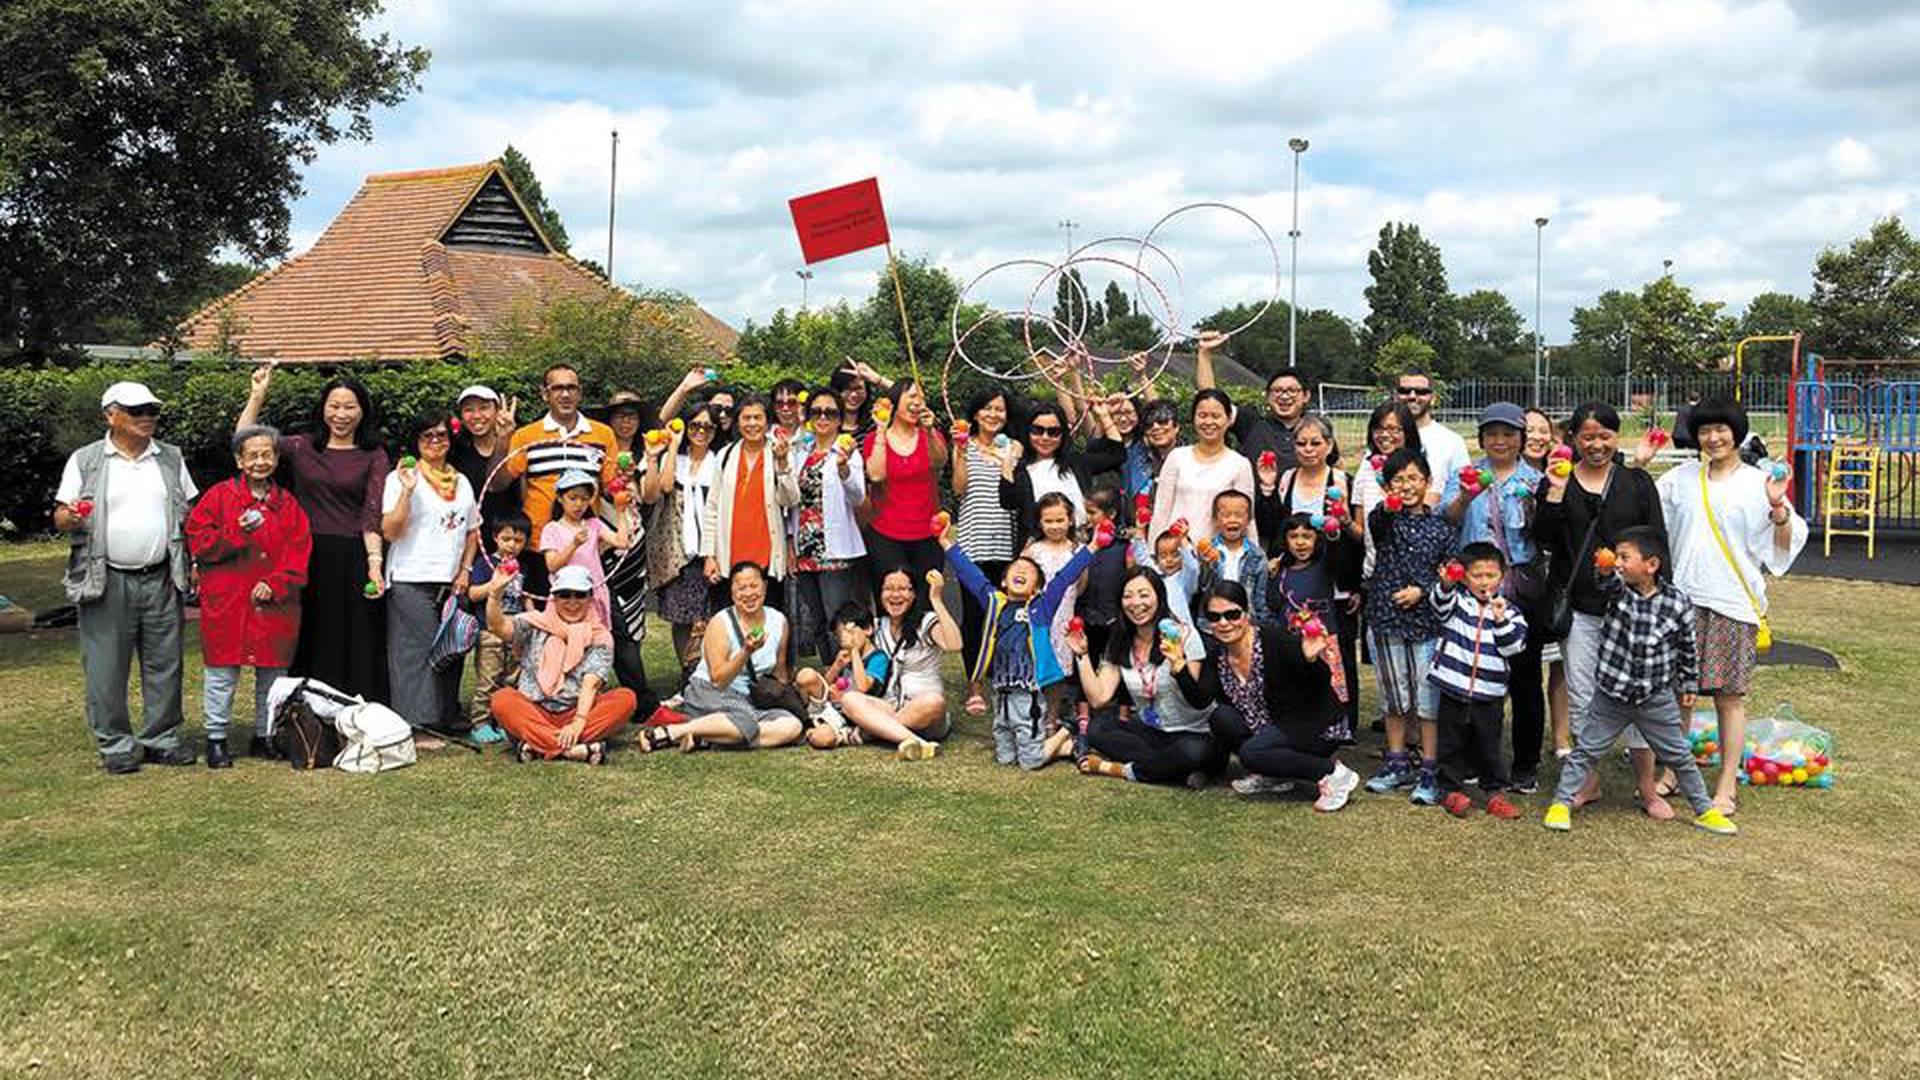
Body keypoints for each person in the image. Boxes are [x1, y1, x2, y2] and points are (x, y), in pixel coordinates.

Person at [1653, 398, 1807, 815]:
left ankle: (1726, 786)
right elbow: (1653, 526)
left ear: (1737, 432)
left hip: (1732, 603)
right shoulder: (1678, 479)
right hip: (1682, 600)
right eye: (1705, 431)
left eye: (1722, 429)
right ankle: (1671, 773)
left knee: (1729, 698)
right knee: (1679, 694)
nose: (1713, 437)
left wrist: (1777, 507)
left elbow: (1785, 542)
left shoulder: (1759, 482)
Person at [1542, 528, 1738, 836]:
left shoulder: (1677, 603)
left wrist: (1688, 685)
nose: (1618, 563)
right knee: (1586, 752)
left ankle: (1704, 810)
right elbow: (1604, 582)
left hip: (1655, 698)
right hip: (1611, 696)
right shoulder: (1618, 591)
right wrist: (1604, 567)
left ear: (1651, 564)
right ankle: (1560, 804)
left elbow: (1687, 647)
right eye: (1616, 556)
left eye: (1625, 557)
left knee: (1680, 757)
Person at [56, 381, 201, 773]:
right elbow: (61, 515)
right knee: (105, 667)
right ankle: (116, 745)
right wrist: (70, 517)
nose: (147, 417)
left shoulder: (170, 458)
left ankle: (161, 739)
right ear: (110, 415)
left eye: (152, 410)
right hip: (105, 579)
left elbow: (188, 512)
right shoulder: (85, 459)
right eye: (137, 411)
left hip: (161, 577)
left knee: (165, 663)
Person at [1536, 402, 1669, 817]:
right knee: (1582, 694)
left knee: (1639, 694)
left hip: (1633, 608)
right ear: (1573, 439)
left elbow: (1657, 541)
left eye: (1605, 436)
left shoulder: (1636, 482)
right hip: (1580, 608)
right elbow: (1542, 537)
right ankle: (1588, 781)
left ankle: (1648, 788)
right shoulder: (1558, 480)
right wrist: (1555, 495)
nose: (1596, 444)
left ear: (1617, 437)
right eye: (1588, 437)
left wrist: (1658, 598)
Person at [237, 365, 389, 702]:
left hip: (353, 555)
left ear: (363, 411)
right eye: (334, 405)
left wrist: (374, 564)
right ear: (323, 408)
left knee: (357, 638)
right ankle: (306, 713)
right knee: (309, 634)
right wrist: (257, 396)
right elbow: (246, 441)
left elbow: (371, 514)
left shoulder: (373, 454)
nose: (341, 414)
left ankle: (358, 711)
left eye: (350, 406)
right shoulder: (302, 446)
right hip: (304, 555)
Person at [185, 426, 312, 767]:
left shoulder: (288, 504)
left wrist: (277, 582)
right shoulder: (218, 497)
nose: (260, 461)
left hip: (274, 604)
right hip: (229, 601)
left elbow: (299, 553)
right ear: (239, 460)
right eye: (252, 455)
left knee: (272, 674)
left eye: (266, 454)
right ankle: (216, 737)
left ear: (276, 458)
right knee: (222, 673)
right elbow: (200, 543)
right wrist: (237, 531)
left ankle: (265, 734)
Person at [1440, 403, 1548, 793]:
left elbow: (1546, 532)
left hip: (1519, 586)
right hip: (1473, 589)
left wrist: (1535, 506)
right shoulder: (1464, 474)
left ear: (1521, 438)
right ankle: (1471, 757)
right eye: (1492, 434)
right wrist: (1466, 497)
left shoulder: (1536, 479)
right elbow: (1447, 519)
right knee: (1469, 676)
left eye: (1508, 434)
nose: (1499, 441)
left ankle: (1525, 763)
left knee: (1524, 678)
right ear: (1481, 438)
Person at [940, 516, 1098, 770]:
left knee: (1030, 762)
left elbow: (1064, 578)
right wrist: (947, 543)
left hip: (1029, 692)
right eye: (1016, 569)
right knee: (1004, 757)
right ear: (1003, 581)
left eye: (1030, 572)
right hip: (1000, 689)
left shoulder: (1041, 607)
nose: (1022, 571)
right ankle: (1047, 745)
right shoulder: (995, 602)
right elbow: (970, 574)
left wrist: (1092, 549)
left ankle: (1064, 734)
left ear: (1037, 588)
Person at [1191, 582, 1362, 811]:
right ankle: (1274, 773)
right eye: (1214, 617)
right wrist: (1179, 667)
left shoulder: (1273, 639)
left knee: (1251, 754)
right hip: (1272, 727)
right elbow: (1200, 699)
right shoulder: (1218, 655)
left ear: (1246, 614)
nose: (1223, 623)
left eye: (1231, 614)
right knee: (1221, 718)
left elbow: (1319, 683)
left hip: (1311, 724)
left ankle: (1334, 774)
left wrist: (1310, 660)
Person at [1362, 448, 1456, 805]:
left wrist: (1424, 591)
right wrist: (1388, 504)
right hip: (1386, 620)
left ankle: (1430, 768)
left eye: (1414, 478)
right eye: (1398, 479)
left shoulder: (1443, 529)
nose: (1406, 486)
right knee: (1393, 696)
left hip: (1427, 624)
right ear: (1388, 485)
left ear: (1428, 481)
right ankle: (1397, 761)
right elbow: (1379, 520)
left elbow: (1451, 577)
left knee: (1427, 700)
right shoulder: (1383, 519)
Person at [1063, 567, 1216, 787]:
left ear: (1159, 597)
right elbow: (1099, 698)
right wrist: (1082, 655)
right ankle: (1179, 774)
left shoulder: (1183, 635)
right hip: (1151, 733)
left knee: (1193, 752)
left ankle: (1122, 769)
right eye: (1128, 596)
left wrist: (1177, 663)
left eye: (1144, 595)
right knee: (1098, 729)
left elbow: (1197, 699)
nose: (1136, 603)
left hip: (1194, 733)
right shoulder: (1120, 640)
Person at [381, 413, 481, 738]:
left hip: (451, 580)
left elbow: (471, 531)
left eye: (441, 435)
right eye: (427, 436)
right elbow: (390, 531)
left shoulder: (462, 481)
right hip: (411, 575)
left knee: (451, 647)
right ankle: (417, 722)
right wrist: (408, 492)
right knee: (419, 649)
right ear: (416, 442)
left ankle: (445, 713)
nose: (435, 441)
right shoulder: (400, 478)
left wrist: (465, 570)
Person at [637, 561, 806, 752]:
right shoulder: (721, 623)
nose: (749, 594)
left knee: (791, 726)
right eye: (741, 588)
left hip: (750, 697)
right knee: (746, 720)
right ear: (732, 592)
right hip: (710, 691)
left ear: (765, 587)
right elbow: (719, 679)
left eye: (754, 586)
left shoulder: (778, 621)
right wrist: (745, 651)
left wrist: (790, 694)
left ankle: (707, 737)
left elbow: (780, 670)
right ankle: (670, 733)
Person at [485, 564, 636, 765]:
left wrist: (578, 722)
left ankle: (538, 744)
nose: (572, 602)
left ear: (590, 598)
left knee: (626, 699)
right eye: (565, 595)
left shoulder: (600, 636)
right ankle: (573, 750)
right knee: (502, 700)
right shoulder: (534, 622)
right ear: (553, 598)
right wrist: (495, 595)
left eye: (580, 595)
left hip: (579, 711)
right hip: (534, 708)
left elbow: (590, 684)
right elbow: (498, 626)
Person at [1428, 542, 1528, 819]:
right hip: (1454, 685)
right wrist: (1446, 585)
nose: (1484, 582)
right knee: (1450, 741)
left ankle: (1495, 792)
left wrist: (1499, 620)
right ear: (1465, 576)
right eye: (1477, 575)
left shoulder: (1511, 612)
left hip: (1489, 691)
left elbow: (1513, 648)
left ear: (1503, 576)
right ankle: (1449, 788)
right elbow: (1438, 606)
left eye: (1491, 575)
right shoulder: (1458, 603)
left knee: (1488, 743)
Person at [826, 567, 960, 757]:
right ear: (880, 593)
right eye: (888, 588)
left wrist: (936, 599)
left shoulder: (926, 622)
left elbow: (954, 644)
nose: (895, 595)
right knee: (850, 699)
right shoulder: (878, 626)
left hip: (923, 713)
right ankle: (918, 744)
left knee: (934, 701)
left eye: (903, 589)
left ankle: (872, 732)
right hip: (888, 707)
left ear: (914, 594)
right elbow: (848, 629)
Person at [950, 387, 1022, 716]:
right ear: (976, 414)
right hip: (972, 543)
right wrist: (961, 451)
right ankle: (975, 684)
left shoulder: (1013, 446)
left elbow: (1013, 485)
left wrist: (1005, 457)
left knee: (1005, 616)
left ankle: (1004, 678)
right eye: (988, 408)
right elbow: (959, 489)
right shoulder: (963, 445)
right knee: (975, 617)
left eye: (1000, 409)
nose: (994, 414)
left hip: (1006, 542)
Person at [787, 383, 867, 664]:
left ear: (839, 418)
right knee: (818, 620)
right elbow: (790, 501)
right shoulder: (800, 453)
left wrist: (845, 469)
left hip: (834, 549)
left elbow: (858, 497)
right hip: (805, 549)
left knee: (839, 621)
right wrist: (790, 543)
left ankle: (849, 680)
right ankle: (830, 677)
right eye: (817, 412)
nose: (823, 418)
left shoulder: (847, 451)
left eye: (830, 413)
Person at [643, 402, 722, 679]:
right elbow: (664, 487)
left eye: (708, 427)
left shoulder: (719, 460)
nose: (701, 431)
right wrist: (674, 445)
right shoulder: (674, 458)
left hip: (711, 547)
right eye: (695, 425)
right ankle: (688, 671)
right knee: (682, 616)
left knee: (710, 616)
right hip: (677, 548)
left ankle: (712, 672)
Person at [702, 395, 799, 608]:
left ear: (767, 422)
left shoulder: (779, 452)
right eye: (746, 418)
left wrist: (782, 464)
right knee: (730, 626)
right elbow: (712, 508)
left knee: (767, 623)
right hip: (729, 557)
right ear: (738, 422)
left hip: (766, 555)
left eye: (758, 418)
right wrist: (709, 555)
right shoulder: (725, 455)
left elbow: (791, 499)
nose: (752, 424)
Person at [502, 363, 619, 529]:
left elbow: (609, 489)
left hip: (585, 540)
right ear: (545, 394)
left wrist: (624, 484)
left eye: (571, 388)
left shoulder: (604, 434)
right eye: (557, 388)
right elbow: (499, 483)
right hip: (538, 541)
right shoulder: (525, 436)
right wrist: (502, 439)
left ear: (579, 393)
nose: (565, 394)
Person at [863, 378, 949, 601]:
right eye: (912, 396)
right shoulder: (874, 438)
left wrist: (929, 432)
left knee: (928, 601)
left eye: (921, 397)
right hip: (885, 534)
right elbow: (876, 475)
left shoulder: (931, 435)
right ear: (893, 403)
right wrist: (881, 429)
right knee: (891, 601)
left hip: (928, 534)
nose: (918, 402)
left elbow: (939, 462)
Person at [999, 399, 1125, 548]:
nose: (1045, 438)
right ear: (1028, 432)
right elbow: (1007, 501)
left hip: (1082, 545)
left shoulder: (1076, 462)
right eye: (1037, 430)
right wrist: (1008, 458)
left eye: (1053, 432)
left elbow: (1117, 454)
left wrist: (1104, 415)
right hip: (1040, 550)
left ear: (1063, 434)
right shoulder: (1021, 469)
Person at [1523, 407, 1573, 759]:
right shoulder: (1504, 473)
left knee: (1560, 664)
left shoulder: (1563, 473)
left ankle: (1560, 738)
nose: (1537, 437)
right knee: (1518, 666)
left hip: (1555, 578)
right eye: (1529, 430)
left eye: (1544, 431)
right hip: (1518, 581)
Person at [465, 511, 541, 744]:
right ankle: (481, 723)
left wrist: (533, 615)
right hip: (490, 631)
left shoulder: (523, 567)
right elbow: (473, 593)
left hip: (515, 630)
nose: (512, 545)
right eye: (506, 539)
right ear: (495, 538)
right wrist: (494, 584)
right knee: (489, 678)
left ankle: (504, 720)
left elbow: (524, 596)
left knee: (514, 678)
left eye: (518, 541)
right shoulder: (485, 563)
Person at [1149, 389, 1256, 545]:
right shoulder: (1177, 457)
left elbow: (1247, 518)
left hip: (1217, 557)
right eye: (1202, 415)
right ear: (1193, 419)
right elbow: (1161, 511)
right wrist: (1154, 554)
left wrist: (1255, 558)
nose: (1208, 422)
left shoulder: (1240, 464)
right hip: (1176, 556)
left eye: (1216, 416)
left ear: (1228, 420)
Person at [1195, 329, 1308, 470]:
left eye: (1292, 391)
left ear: (1305, 396)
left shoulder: (1315, 429)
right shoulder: (1251, 423)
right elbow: (1211, 401)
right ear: (1267, 396)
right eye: (1277, 391)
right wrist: (1204, 354)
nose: (1284, 396)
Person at [540, 470, 633, 631]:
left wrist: (620, 511)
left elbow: (622, 542)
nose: (579, 504)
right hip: (566, 596)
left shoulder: (593, 524)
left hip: (593, 593)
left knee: (596, 639)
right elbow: (552, 565)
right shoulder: (551, 529)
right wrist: (574, 545)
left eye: (584, 499)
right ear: (560, 498)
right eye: (573, 498)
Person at [1195, 490, 1269, 626]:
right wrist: (1205, 565)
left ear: (1248, 520)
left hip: (1245, 622)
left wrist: (1262, 623)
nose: (1232, 519)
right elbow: (1201, 587)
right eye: (1226, 515)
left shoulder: (1257, 555)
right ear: (1216, 519)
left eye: (1239, 515)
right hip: (1213, 623)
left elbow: (1260, 595)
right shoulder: (1206, 550)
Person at [448, 384, 520, 522]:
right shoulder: (455, 449)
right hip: (466, 532)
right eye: (469, 410)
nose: (476, 416)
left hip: (508, 536)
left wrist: (503, 439)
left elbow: (495, 485)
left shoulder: (516, 444)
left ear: (497, 411)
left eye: (484, 408)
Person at [1394, 371, 1470, 488]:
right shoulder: (1383, 439)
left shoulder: (1453, 442)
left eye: (1421, 392)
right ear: (1395, 397)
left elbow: (1462, 490)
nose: (1412, 396)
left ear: (1433, 398)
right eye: (1405, 391)